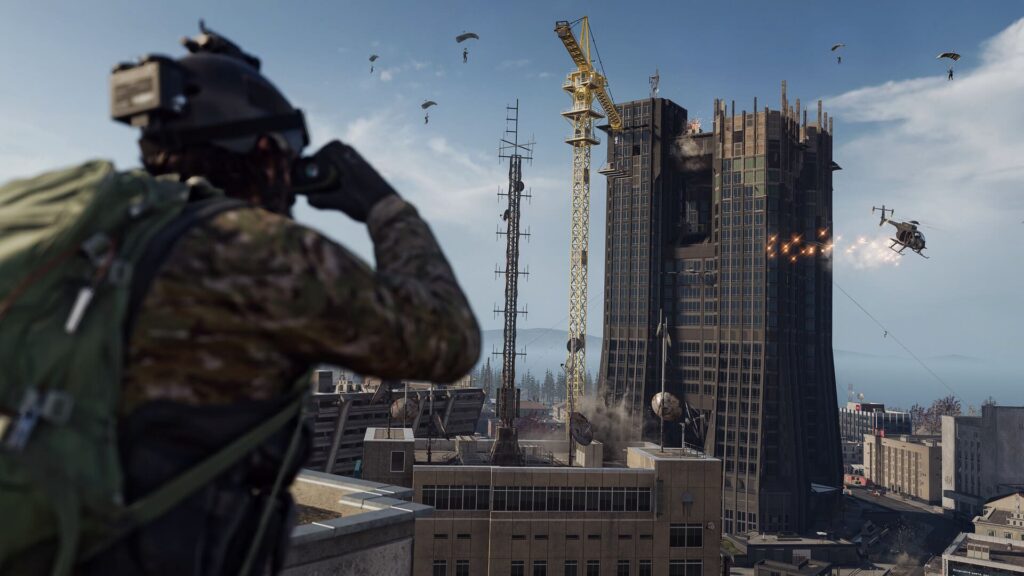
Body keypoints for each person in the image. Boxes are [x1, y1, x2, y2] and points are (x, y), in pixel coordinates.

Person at [7, 22, 480, 576]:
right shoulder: (256, 250)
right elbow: (447, 337)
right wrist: (386, 207)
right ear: (265, 153)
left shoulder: (61, 223)